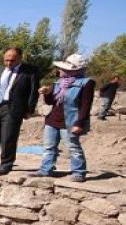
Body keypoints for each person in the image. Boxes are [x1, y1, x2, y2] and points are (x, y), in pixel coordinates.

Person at [0, 47, 41, 175]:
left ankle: (6, 163)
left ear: (20, 58)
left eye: (12, 60)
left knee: (8, 137)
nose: (9, 63)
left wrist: (29, 110)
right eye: (6, 60)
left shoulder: (30, 72)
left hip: (13, 108)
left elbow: (33, 93)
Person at [30, 54, 95, 183]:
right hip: (53, 120)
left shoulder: (86, 83)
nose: (60, 71)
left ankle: (79, 172)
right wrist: (46, 93)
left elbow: (85, 106)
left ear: (73, 70)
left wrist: (79, 123)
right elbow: (51, 102)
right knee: (49, 147)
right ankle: (46, 169)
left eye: (63, 69)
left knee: (73, 148)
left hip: (70, 121)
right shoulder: (59, 83)